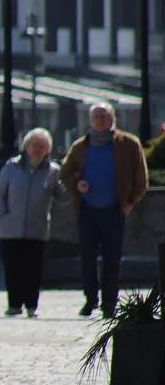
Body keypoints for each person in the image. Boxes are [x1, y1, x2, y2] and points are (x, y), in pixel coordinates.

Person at [60, 102, 149, 318]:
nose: (100, 119)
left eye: (104, 115)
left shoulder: (128, 144)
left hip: (114, 210)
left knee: (112, 259)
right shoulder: (81, 146)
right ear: (90, 121)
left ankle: (109, 303)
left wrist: (130, 202)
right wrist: (77, 183)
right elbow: (65, 173)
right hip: (87, 211)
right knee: (87, 257)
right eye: (96, 116)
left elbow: (141, 178)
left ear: (113, 119)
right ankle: (90, 300)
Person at [0, 129, 66, 318]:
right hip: (11, 228)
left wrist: (72, 183)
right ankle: (14, 304)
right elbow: (0, 193)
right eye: (35, 145)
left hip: (37, 228)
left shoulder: (53, 171)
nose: (38, 150)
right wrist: (3, 215)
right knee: (13, 268)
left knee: (33, 269)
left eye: (42, 146)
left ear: (48, 150)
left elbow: (62, 197)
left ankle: (31, 305)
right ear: (26, 146)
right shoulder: (11, 167)